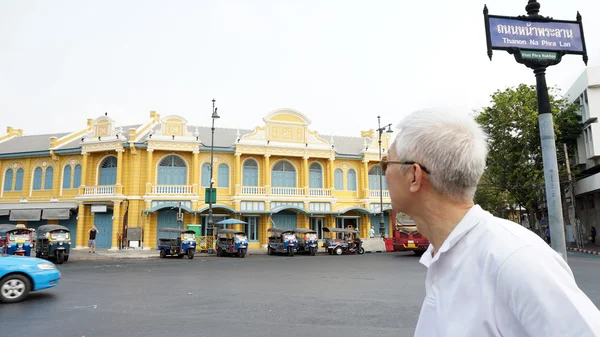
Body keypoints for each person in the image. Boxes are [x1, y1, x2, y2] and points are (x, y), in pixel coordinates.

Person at [384, 108, 600, 337]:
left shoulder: (513, 258)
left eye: (386, 163)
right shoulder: (443, 256)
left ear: (415, 176)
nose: (384, 171)